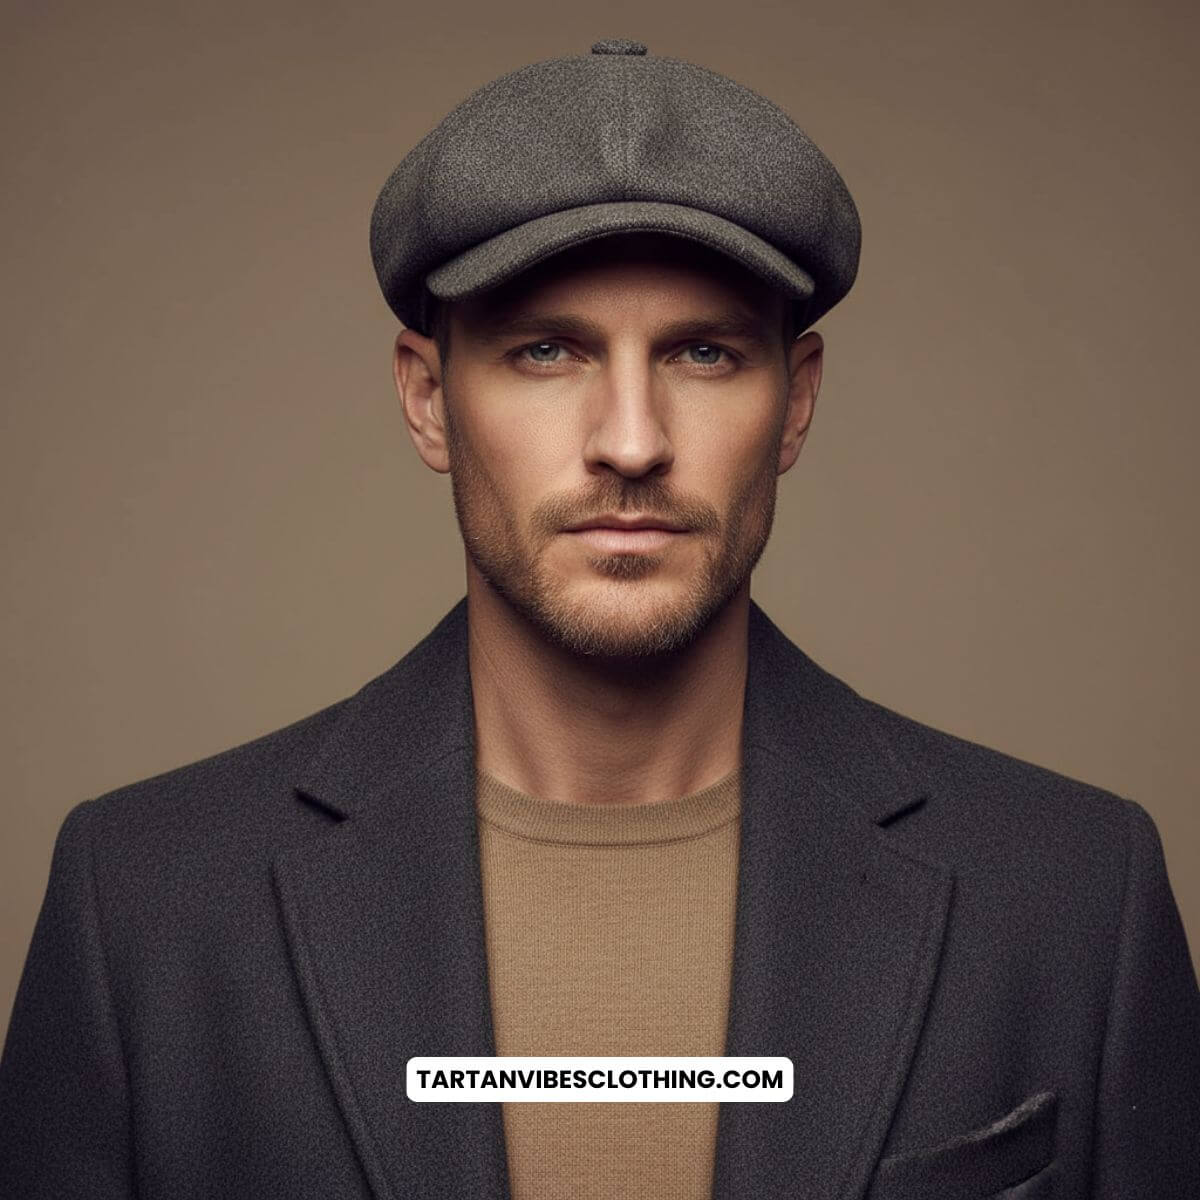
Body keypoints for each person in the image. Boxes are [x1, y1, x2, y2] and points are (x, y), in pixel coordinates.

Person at [1, 36, 1197, 1200]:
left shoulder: (1075, 899)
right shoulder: (146, 909)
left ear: (798, 402)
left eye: (707, 354)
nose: (632, 440)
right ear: (426, 397)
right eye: (545, 351)